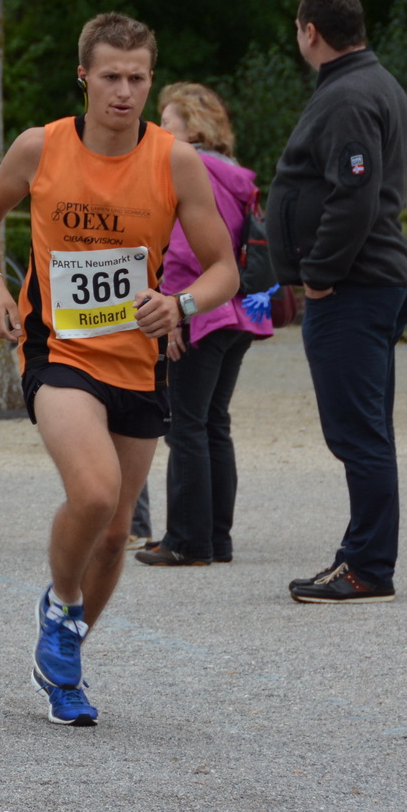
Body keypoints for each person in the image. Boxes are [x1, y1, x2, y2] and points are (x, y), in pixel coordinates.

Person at [0, 13, 239, 727]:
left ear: (151, 78)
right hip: (60, 351)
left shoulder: (175, 160)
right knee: (93, 492)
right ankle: (60, 606)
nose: (124, 91)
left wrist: (178, 304)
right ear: (83, 75)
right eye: (110, 76)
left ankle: (67, 661)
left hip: (137, 359)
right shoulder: (41, 147)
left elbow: (225, 270)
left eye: (137, 78)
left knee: (117, 531)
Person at [269, 0, 407, 604]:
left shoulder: (349, 96)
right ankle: (363, 555)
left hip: (356, 288)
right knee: (365, 430)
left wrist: (321, 274)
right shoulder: (372, 82)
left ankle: (367, 567)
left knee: (357, 433)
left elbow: (353, 196)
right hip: (372, 283)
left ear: (311, 32)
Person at [133, 83, 273, 567]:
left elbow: (186, 252)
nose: (158, 130)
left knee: (187, 426)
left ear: (191, 127)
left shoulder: (192, 169)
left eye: (167, 121)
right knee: (214, 423)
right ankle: (216, 537)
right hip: (239, 315)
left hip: (202, 312)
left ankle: (188, 542)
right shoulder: (234, 174)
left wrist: (174, 311)